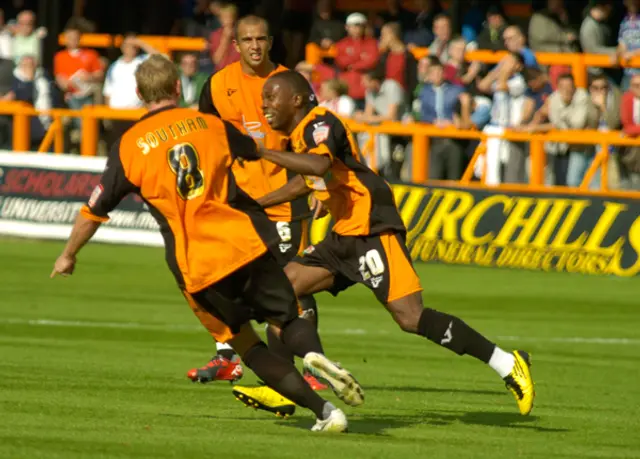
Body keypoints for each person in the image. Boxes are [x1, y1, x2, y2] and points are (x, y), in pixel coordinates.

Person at [49, 54, 361, 433]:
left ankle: (327, 413)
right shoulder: (210, 125)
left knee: (246, 345)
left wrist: (68, 255)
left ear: (137, 93)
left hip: (197, 266)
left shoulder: (129, 145)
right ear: (178, 87)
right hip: (244, 243)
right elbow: (256, 151)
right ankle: (312, 354)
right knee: (289, 318)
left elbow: (93, 210)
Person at [231, 70, 536, 418]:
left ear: (296, 100)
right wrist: (258, 205)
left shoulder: (320, 122)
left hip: (372, 226)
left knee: (410, 317)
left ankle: (507, 363)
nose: (264, 104)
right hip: (344, 231)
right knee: (284, 287)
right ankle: (283, 388)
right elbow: (308, 181)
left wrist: (261, 152)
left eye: (271, 97)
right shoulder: (300, 134)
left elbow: (318, 164)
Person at [192, 15, 327, 392]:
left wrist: (319, 187)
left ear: (270, 42)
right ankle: (227, 356)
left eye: (261, 39)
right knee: (227, 279)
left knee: (294, 285)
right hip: (237, 203)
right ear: (235, 45)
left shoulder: (292, 83)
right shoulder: (218, 85)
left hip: (285, 201)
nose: (254, 46)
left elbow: (315, 141)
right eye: (247, 40)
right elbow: (206, 139)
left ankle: (313, 367)